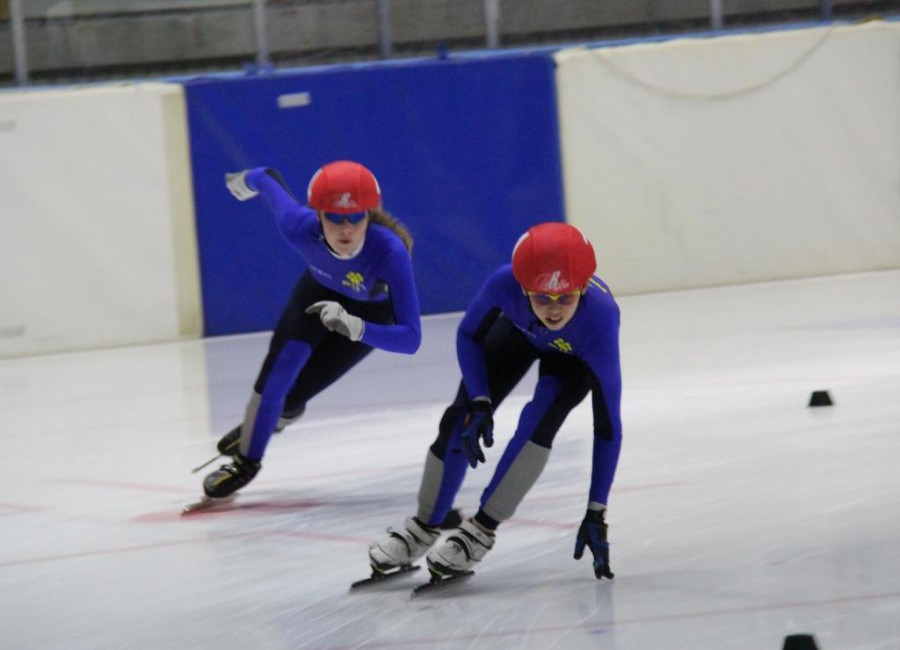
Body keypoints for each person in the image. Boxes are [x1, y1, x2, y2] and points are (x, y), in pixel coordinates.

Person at [367, 221, 622, 581]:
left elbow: (608, 426)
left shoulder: (600, 319)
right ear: (521, 288)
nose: (552, 310)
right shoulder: (504, 283)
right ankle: (424, 525)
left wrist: (596, 510)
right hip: (519, 334)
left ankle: (481, 531)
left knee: (538, 423)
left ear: (582, 288)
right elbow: (468, 334)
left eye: (565, 297)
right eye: (540, 297)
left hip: (572, 359)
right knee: (460, 418)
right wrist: (481, 401)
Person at [200, 161, 421, 500]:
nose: (345, 229)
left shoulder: (390, 252)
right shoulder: (297, 226)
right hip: (317, 292)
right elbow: (267, 178)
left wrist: (357, 327)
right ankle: (246, 462)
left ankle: (274, 419)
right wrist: (242, 180)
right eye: (333, 217)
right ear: (318, 214)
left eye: (355, 217)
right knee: (275, 380)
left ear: (369, 214)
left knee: (292, 399)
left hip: (366, 315)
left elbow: (410, 338)